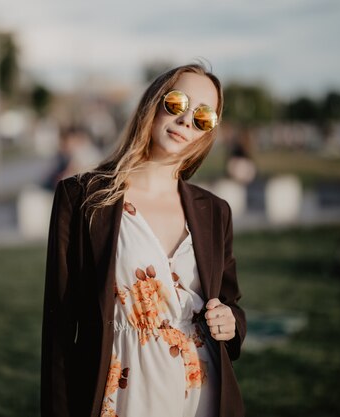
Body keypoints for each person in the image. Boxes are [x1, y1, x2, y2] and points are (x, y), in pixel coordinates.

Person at [41, 63, 246, 417]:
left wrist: (231, 322)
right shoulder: (82, 197)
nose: (186, 121)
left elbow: (230, 304)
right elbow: (59, 327)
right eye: (178, 103)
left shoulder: (215, 211)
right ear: (153, 102)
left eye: (203, 116)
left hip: (201, 395)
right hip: (122, 395)